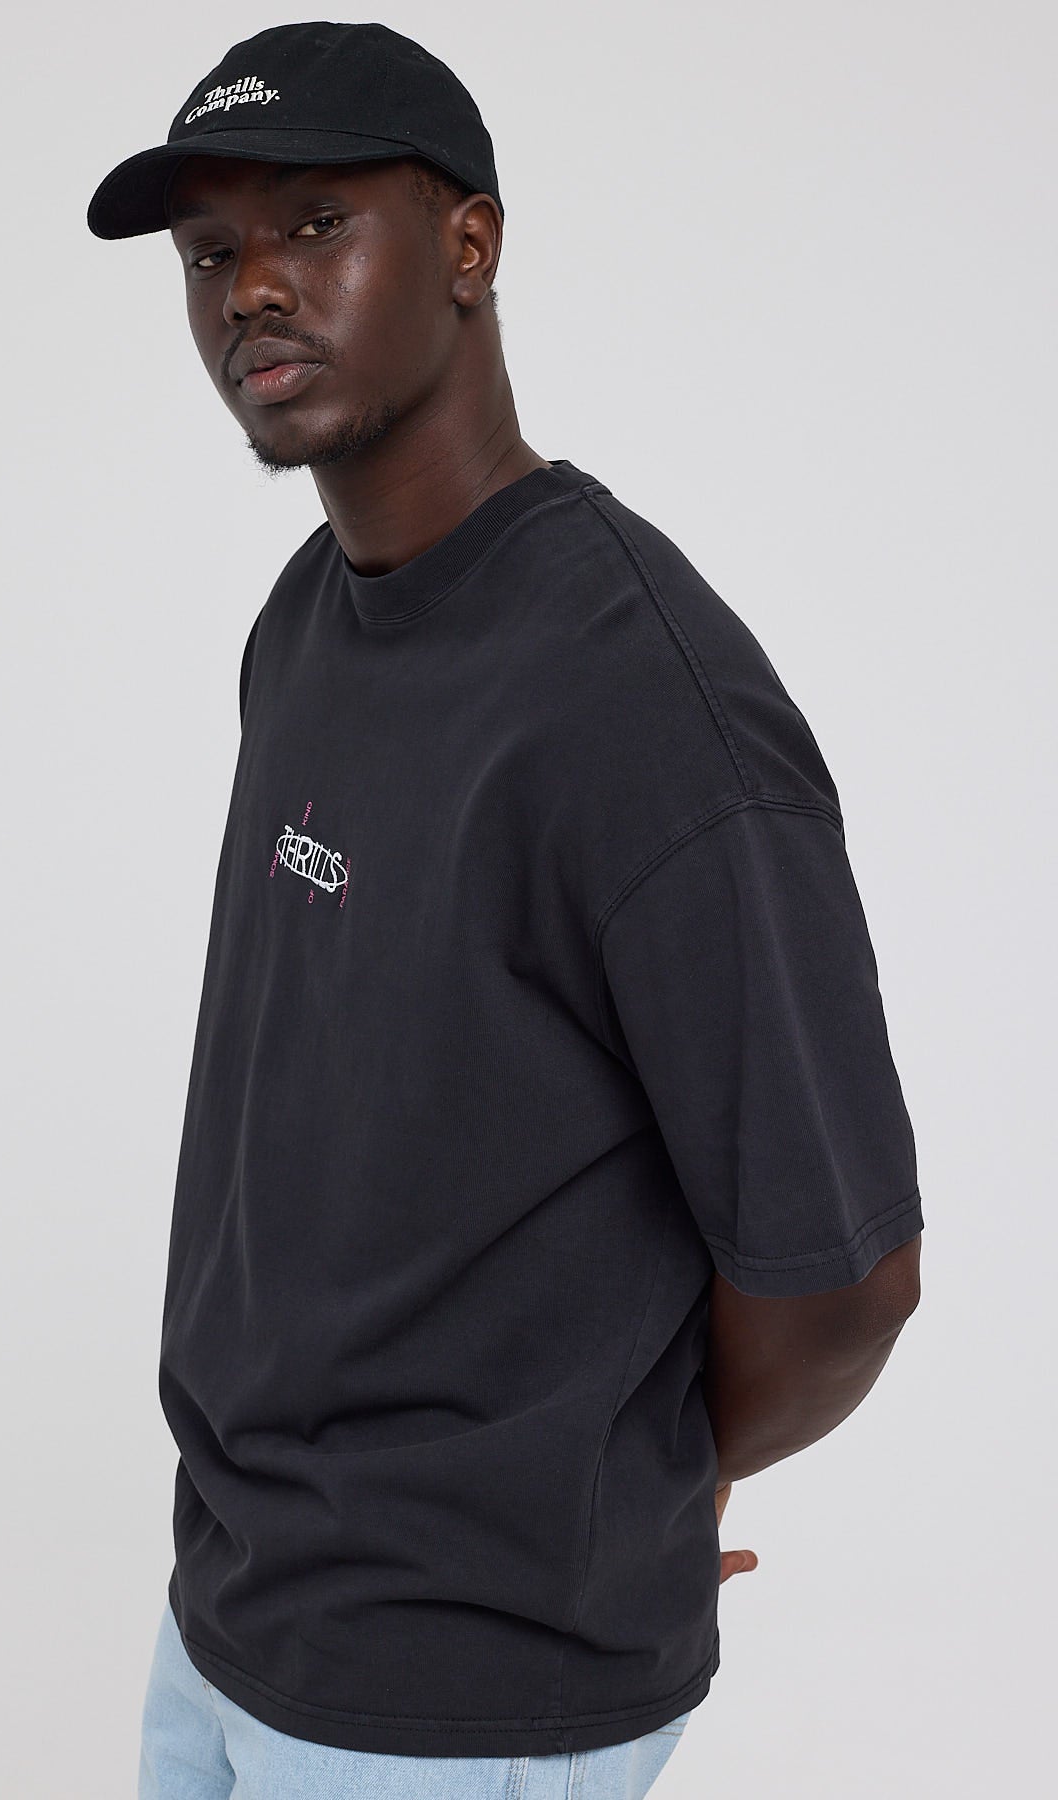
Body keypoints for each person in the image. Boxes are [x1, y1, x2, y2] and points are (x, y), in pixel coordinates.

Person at [87, 20, 925, 1800]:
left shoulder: (649, 710)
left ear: (468, 245)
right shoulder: (309, 617)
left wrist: (620, 1490)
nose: (251, 290)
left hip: (450, 1708)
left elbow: (845, 1281)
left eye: (316, 224)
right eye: (212, 253)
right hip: (232, 1611)